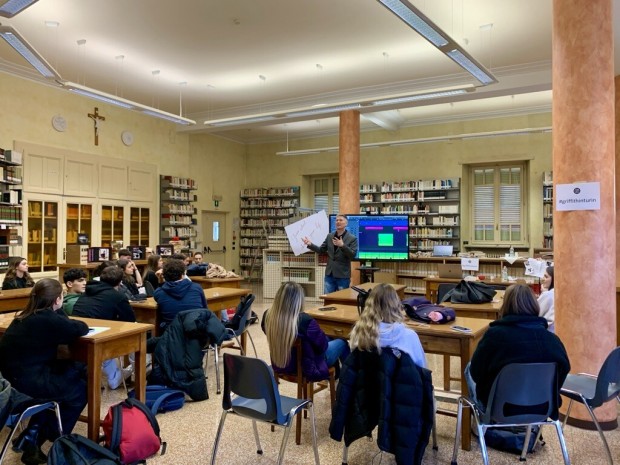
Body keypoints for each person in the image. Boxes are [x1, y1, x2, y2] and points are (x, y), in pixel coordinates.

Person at [0, 279, 88, 465]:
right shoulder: (48, 320)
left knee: (75, 372)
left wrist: (56, 308)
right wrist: (59, 309)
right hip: (29, 385)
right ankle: (49, 437)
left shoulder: (23, 316)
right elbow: (80, 327)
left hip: (11, 381)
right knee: (81, 389)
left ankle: (31, 436)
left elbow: (64, 324)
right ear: (57, 300)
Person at [467, 284, 570, 411]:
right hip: (542, 407)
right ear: (534, 304)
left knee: (469, 367)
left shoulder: (493, 336)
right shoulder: (553, 340)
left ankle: (477, 418)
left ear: (505, 305)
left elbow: (476, 372)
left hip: (500, 408)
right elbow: (563, 370)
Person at [262, 281, 350, 381]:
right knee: (342, 342)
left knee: (328, 338)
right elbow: (322, 347)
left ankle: (336, 376)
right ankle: (347, 382)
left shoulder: (267, 316)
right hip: (307, 367)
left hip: (281, 364)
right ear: (298, 301)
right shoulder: (305, 321)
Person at [72, 266, 135, 389]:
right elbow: (130, 320)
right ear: (120, 282)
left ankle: (115, 374)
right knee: (131, 336)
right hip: (96, 336)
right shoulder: (117, 296)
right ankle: (127, 372)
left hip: (76, 331)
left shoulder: (87, 292)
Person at [349, 283, 426, 367]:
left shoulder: (359, 331)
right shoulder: (409, 336)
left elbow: (354, 360)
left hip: (366, 375)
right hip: (399, 375)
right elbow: (421, 367)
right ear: (396, 305)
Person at [303, 214, 358, 294]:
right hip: (329, 274)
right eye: (337, 220)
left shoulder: (352, 238)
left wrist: (342, 245)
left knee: (342, 298)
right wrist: (310, 244)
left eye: (341, 220)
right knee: (328, 298)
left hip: (342, 275)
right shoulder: (330, 236)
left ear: (346, 223)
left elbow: (352, 255)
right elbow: (321, 250)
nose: (338, 222)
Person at [153, 258, 207, 330]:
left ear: (164, 275)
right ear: (183, 274)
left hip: (173, 333)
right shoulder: (197, 287)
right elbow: (205, 309)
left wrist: (160, 282)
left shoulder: (159, 292)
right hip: (196, 331)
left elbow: (162, 291)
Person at [538, 265, 555, 332]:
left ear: (553, 279)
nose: (543, 279)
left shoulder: (547, 294)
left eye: (546, 276)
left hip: (546, 330)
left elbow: (536, 312)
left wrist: (544, 293)